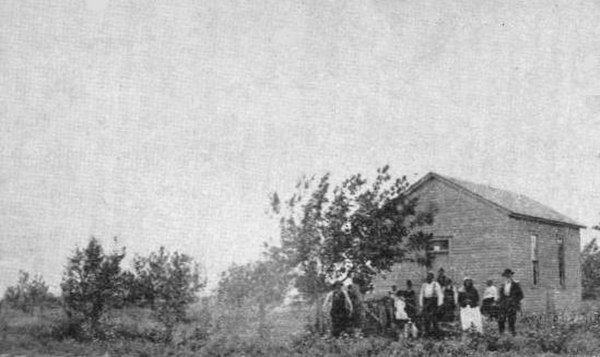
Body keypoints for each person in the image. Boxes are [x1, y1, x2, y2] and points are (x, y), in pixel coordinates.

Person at [498, 269, 524, 336]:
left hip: (512, 304)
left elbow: (521, 295)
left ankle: (512, 333)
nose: (508, 277)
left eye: (509, 275)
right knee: (501, 318)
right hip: (504, 303)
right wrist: (500, 301)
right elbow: (501, 295)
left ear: (511, 275)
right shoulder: (503, 285)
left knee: (511, 319)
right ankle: (501, 333)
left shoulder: (515, 284)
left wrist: (514, 301)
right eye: (506, 276)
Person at [419, 272, 443, 338]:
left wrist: (439, 305)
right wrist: (421, 305)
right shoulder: (424, 285)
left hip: (433, 302)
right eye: (427, 277)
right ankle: (427, 334)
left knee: (434, 318)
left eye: (429, 277)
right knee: (426, 319)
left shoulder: (435, 284)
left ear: (432, 277)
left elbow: (440, 294)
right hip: (426, 302)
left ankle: (437, 334)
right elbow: (421, 295)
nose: (428, 278)